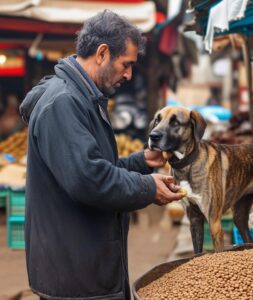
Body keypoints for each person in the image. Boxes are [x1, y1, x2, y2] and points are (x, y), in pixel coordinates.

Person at [19, 10, 183, 300]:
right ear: (102, 53)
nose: (129, 74)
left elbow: (92, 167)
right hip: (75, 275)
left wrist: (140, 163)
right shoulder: (64, 103)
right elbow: (89, 180)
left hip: (85, 264)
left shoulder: (84, 98)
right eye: (126, 64)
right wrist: (148, 188)